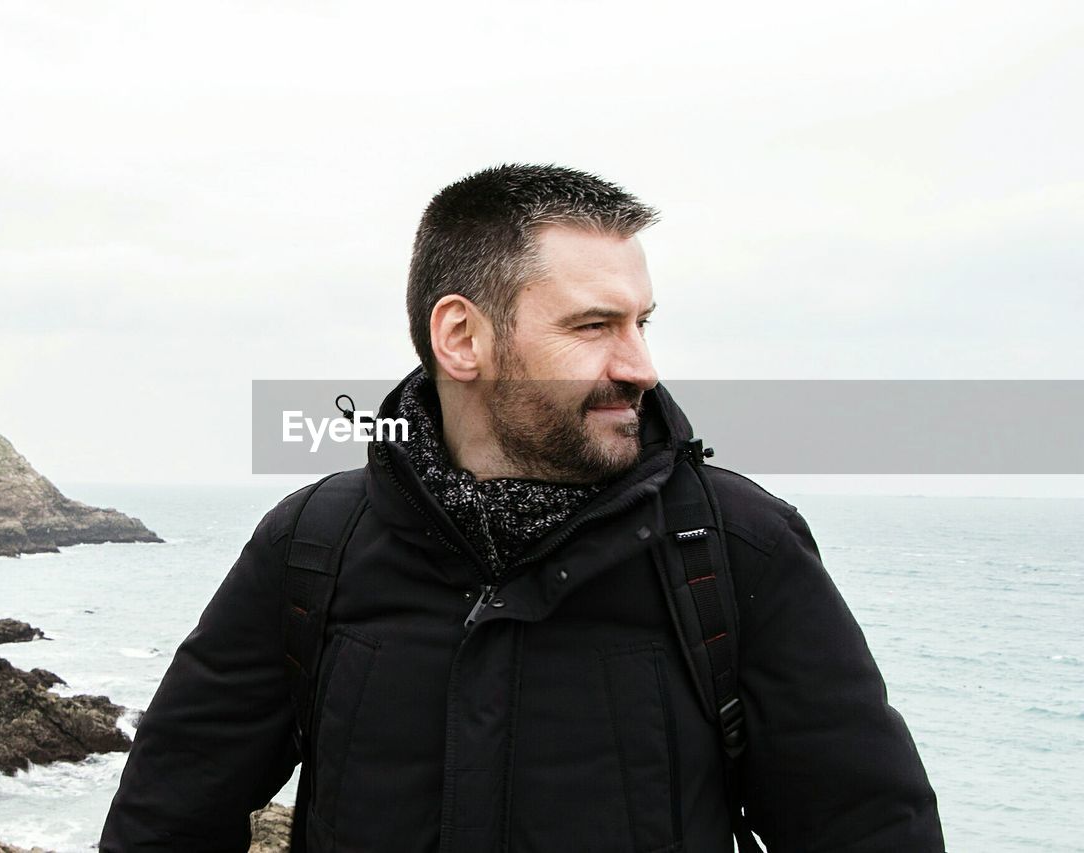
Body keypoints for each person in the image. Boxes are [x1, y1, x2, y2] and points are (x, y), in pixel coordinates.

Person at [100, 164, 945, 852]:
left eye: (642, 322)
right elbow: (166, 818)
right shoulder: (314, 543)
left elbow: (872, 831)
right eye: (594, 327)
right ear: (462, 338)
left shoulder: (736, 548)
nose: (641, 364)